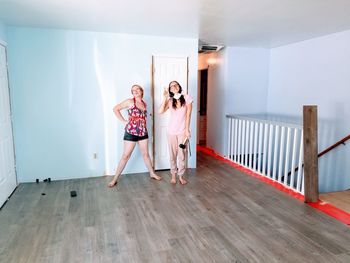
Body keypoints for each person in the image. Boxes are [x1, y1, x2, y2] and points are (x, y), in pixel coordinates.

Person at [108, 85, 161, 187]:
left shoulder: (144, 104)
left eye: (137, 89)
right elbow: (115, 109)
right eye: (133, 90)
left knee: (146, 154)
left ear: (141, 91)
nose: (135, 91)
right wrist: (124, 121)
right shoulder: (130, 101)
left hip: (143, 132)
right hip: (131, 132)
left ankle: (152, 173)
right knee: (125, 156)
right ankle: (115, 179)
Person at [158, 80, 193, 185]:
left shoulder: (187, 98)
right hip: (171, 131)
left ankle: (181, 176)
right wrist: (165, 97)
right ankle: (173, 175)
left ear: (179, 86)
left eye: (176, 84)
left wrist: (187, 129)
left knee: (182, 154)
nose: (174, 86)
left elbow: (188, 115)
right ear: (170, 89)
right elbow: (160, 111)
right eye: (171, 86)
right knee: (172, 155)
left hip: (182, 131)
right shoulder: (170, 100)